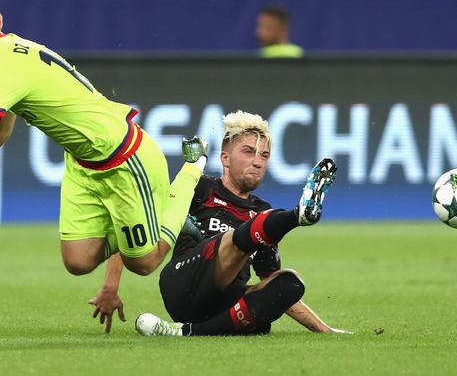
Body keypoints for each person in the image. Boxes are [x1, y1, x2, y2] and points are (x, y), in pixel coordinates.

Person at [0, 0, 208, 315]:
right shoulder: (14, 50)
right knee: (77, 261)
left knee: (143, 263)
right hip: (83, 163)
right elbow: (2, 130)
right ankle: (148, 217)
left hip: (125, 158)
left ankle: (189, 173)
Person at [135, 111, 347, 336]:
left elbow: (269, 279)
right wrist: (111, 285)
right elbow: (140, 221)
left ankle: (186, 332)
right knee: (235, 239)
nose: (257, 162)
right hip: (182, 285)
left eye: (264, 156)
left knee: (289, 282)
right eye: (248, 152)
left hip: (220, 305)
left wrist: (324, 330)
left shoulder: (262, 212)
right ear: (225, 158)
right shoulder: (200, 188)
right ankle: (297, 216)